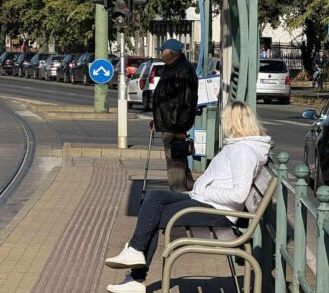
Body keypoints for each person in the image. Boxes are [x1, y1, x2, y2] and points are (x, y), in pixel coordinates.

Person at [105, 101, 272, 293]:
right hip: (205, 202)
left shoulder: (243, 152)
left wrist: (205, 191)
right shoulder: (238, 146)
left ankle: (135, 275)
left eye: (225, 118)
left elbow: (239, 194)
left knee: (154, 216)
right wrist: (203, 192)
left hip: (218, 212)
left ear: (233, 121)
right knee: (154, 197)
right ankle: (135, 254)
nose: (222, 122)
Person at [152, 39, 199, 192]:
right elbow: (166, 99)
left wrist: (180, 128)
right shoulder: (172, 68)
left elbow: (188, 102)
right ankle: (190, 192)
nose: (160, 54)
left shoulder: (182, 71)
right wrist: (157, 119)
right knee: (179, 161)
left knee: (175, 165)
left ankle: (178, 195)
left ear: (171, 53)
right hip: (169, 124)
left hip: (174, 126)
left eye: (162, 51)